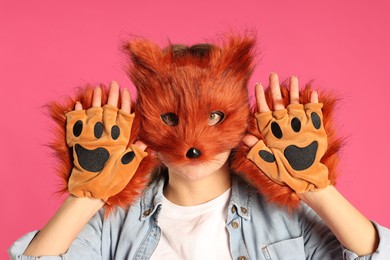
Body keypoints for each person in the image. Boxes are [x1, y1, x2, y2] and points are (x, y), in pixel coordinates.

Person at [9, 58, 390, 258]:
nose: (193, 142)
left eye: (214, 117)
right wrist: (88, 194)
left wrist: (314, 187)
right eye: (171, 118)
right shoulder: (112, 222)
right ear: (141, 121)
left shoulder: (286, 220)